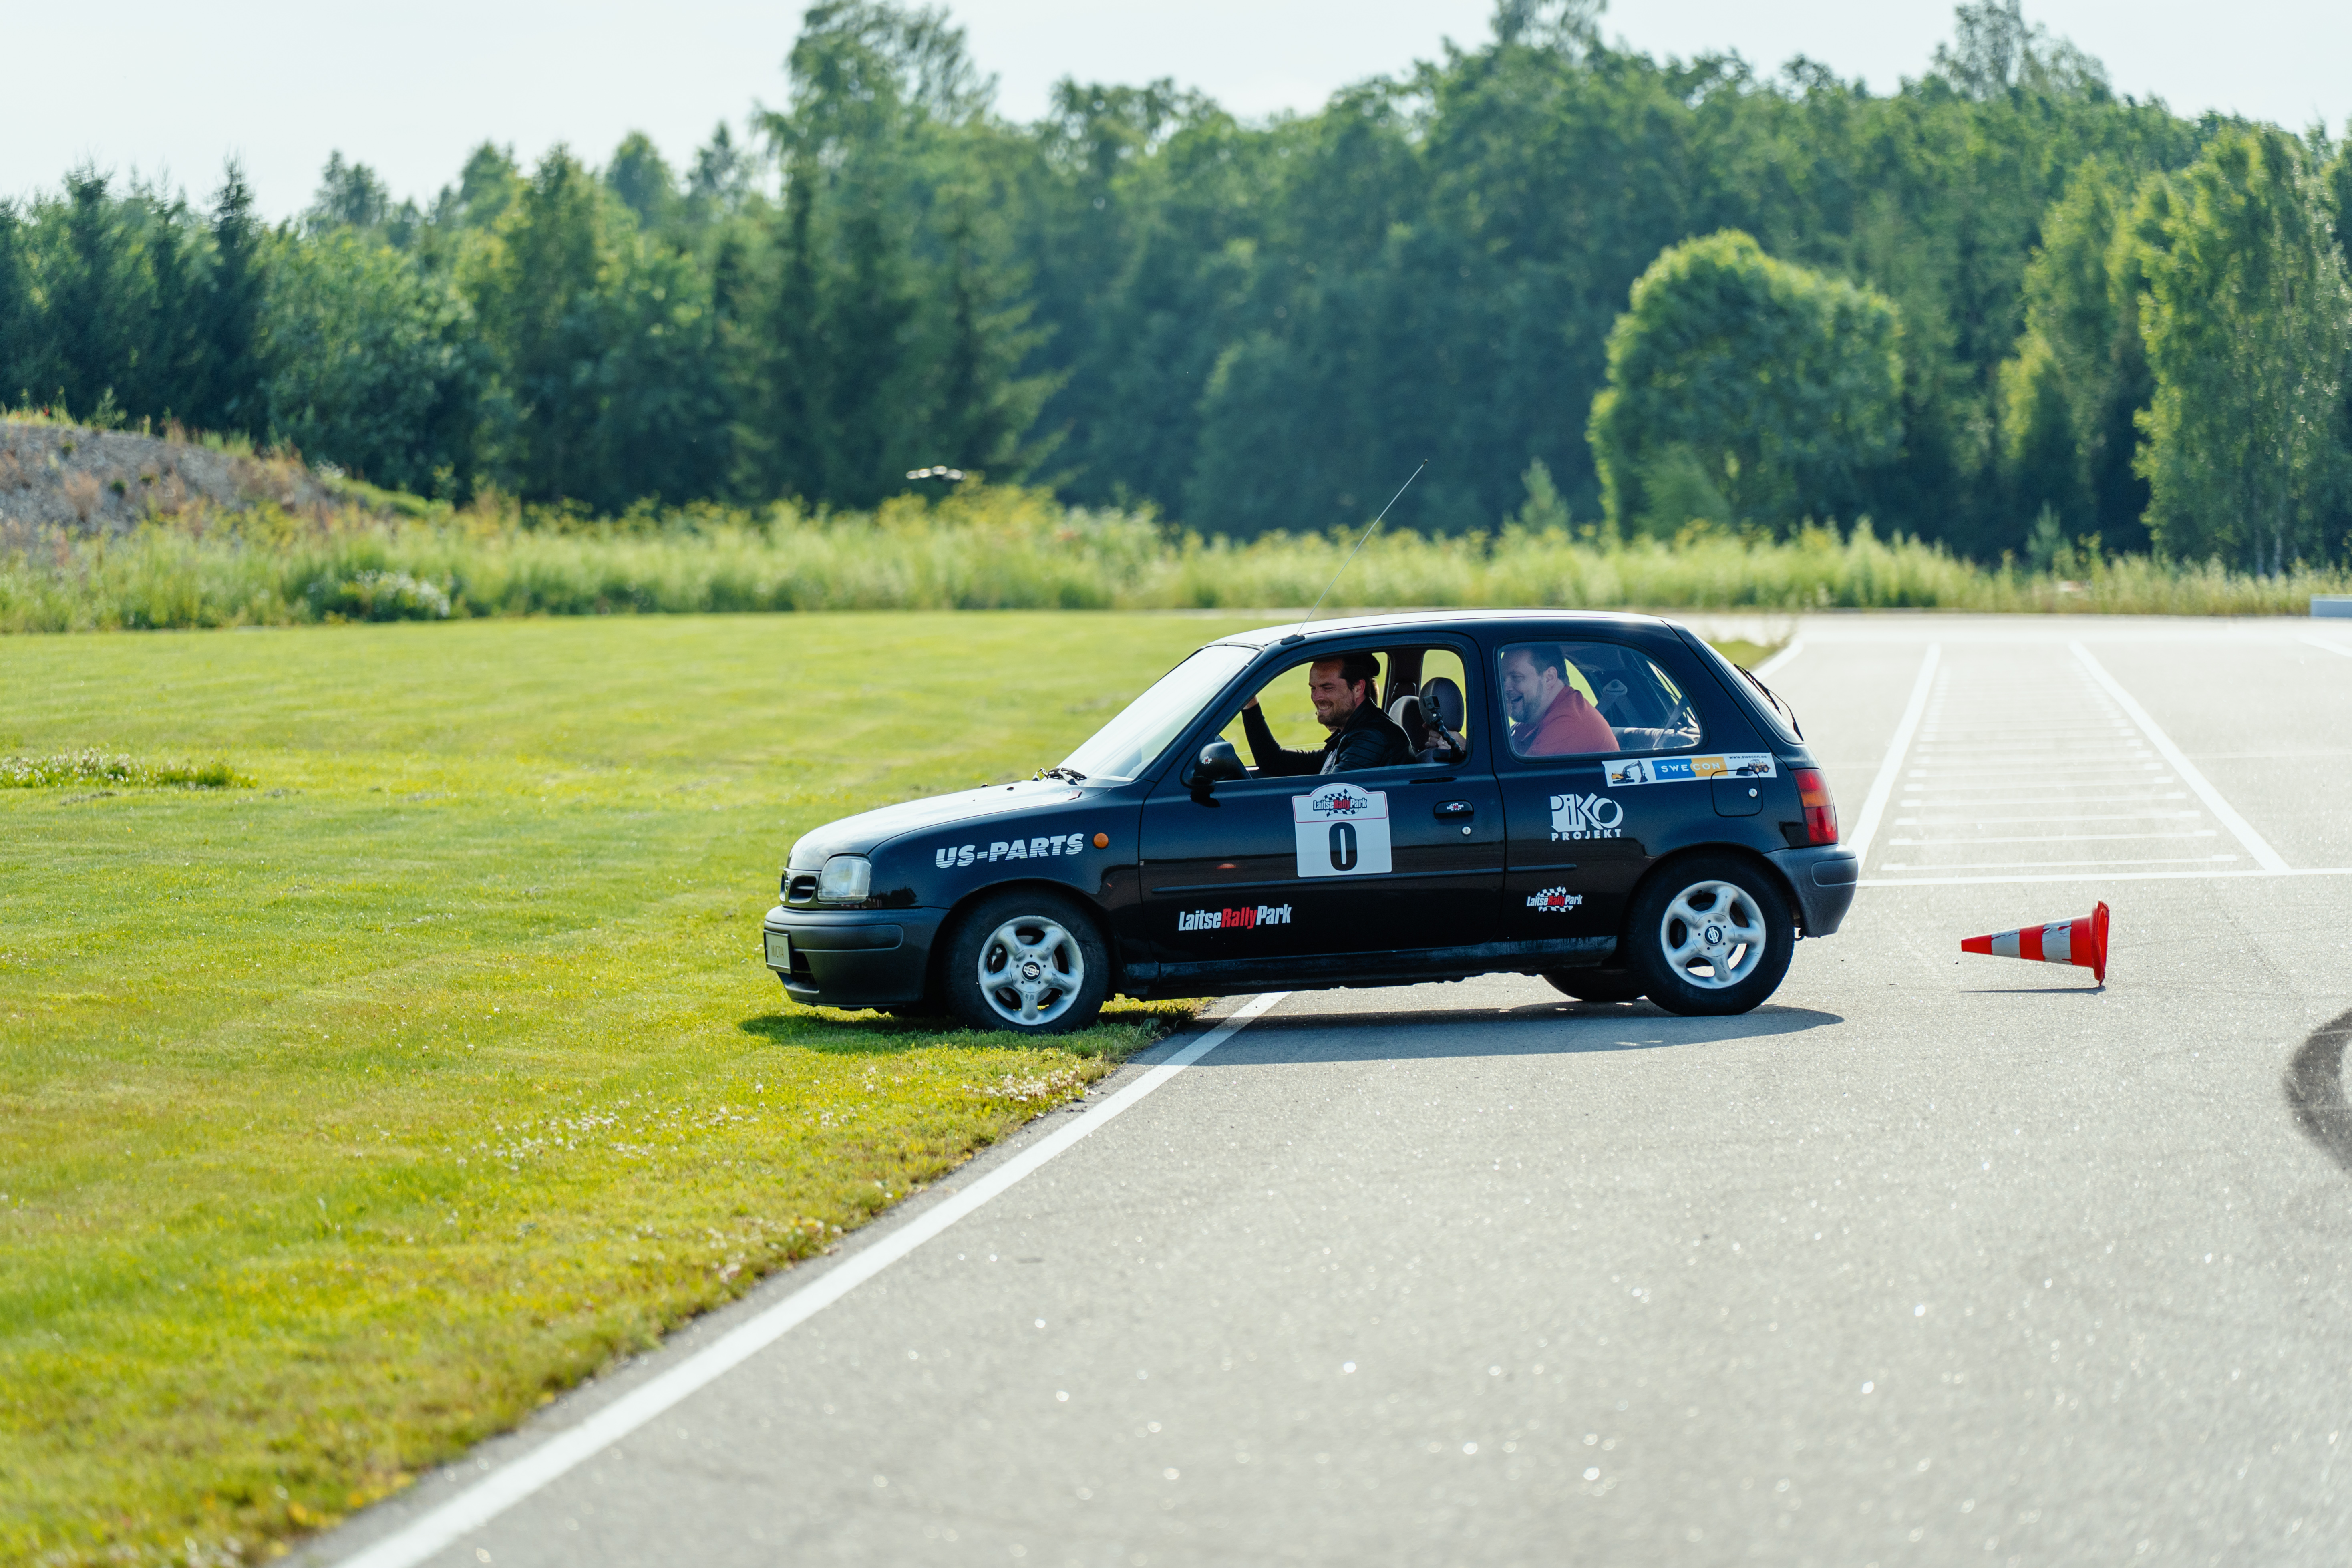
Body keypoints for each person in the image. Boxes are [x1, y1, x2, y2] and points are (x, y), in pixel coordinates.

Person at [1239, 651, 1416, 775]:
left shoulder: (1371, 738)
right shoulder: (1351, 735)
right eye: (1313, 688)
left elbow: (1331, 798)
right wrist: (1248, 700)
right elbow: (1274, 762)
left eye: (1327, 688)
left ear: (1358, 688)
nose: (1316, 697)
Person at [1501, 643, 1617, 756]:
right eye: (1503, 679)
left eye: (1517, 678)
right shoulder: (1535, 716)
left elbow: (1521, 775)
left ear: (1549, 678)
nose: (1505, 688)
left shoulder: (1569, 724)